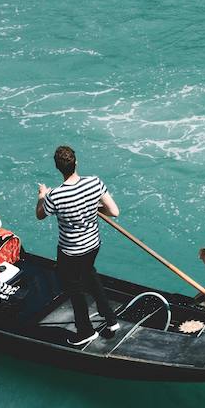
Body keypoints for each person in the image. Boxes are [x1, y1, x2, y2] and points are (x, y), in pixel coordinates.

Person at [35, 145, 120, 345]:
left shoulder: (54, 195)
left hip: (71, 251)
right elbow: (113, 211)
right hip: (93, 245)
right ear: (76, 162)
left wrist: (41, 196)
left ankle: (85, 331)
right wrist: (90, 207)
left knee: (75, 289)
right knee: (90, 274)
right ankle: (110, 318)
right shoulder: (94, 183)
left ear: (58, 168)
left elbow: (40, 215)